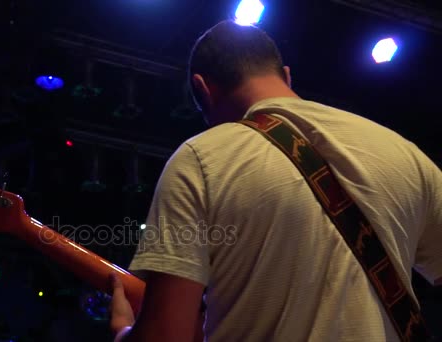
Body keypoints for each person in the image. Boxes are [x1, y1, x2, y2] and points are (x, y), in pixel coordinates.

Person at [109, 20, 442, 342]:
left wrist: (124, 332)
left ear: (202, 89)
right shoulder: (404, 153)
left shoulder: (200, 160)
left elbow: (166, 337)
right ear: (286, 76)